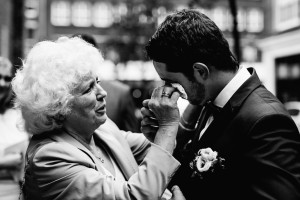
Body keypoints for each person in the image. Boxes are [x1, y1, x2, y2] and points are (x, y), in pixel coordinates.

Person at [142, 9, 300, 200]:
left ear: (200, 72)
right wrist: (165, 141)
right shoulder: (206, 101)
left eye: (172, 81)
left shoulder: (267, 121)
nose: (168, 90)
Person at [11, 36, 182, 200]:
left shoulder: (102, 128)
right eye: (88, 89)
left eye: (97, 82)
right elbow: (134, 196)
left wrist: (191, 100)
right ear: (59, 107)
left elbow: (161, 146)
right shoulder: (49, 158)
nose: (103, 92)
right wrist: (167, 127)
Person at [72, 33, 141, 132]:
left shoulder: (121, 93)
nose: (102, 93)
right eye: (88, 89)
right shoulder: (61, 95)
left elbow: (131, 137)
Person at [0, 56, 29, 200]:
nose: (2, 83)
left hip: (16, 192)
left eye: (7, 78)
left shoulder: (18, 114)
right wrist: (4, 162)